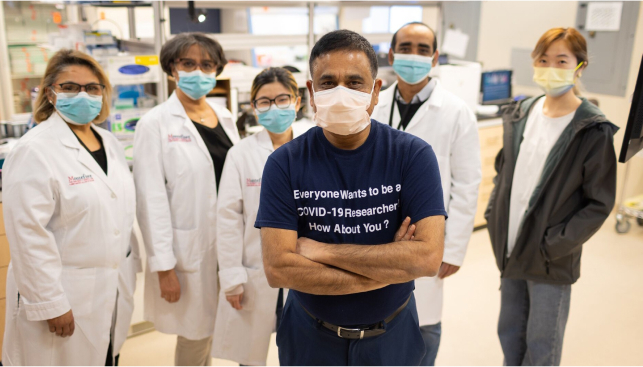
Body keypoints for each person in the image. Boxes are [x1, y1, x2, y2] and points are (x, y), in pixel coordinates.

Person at [255, 29, 447, 366]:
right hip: (310, 337)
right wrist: (391, 267)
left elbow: (426, 259)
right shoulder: (284, 163)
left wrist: (322, 251)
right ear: (312, 92)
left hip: (393, 335)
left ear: (375, 92)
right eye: (328, 83)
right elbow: (279, 269)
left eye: (355, 82)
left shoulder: (412, 155)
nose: (341, 93)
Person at [485, 27, 618, 366]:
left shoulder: (592, 129)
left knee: (542, 346)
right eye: (543, 59)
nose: (550, 67)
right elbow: (504, 174)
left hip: (551, 258)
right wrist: (493, 219)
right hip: (512, 248)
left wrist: (553, 245)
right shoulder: (521, 113)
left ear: (580, 66)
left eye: (562, 60)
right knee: (510, 336)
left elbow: (599, 203)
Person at [1, 49, 137, 366]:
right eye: (70, 87)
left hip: (109, 290)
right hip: (63, 294)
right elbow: (28, 235)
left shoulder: (110, 143)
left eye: (92, 87)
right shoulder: (34, 149)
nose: (83, 95)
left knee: (105, 357)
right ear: (50, 93)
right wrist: (50, 303)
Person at [371, 22, 481, 366]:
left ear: (434, 58)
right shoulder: (373, 105)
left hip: (428, 235)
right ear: (391, 55)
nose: (413, 56)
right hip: (375, 232)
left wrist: (455, 247)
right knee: (377, 317)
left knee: (424, 322)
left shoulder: (456, 111)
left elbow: (467, 182)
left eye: (422, 50)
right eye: (405, 48)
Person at [133, 32, 240, 366]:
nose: (198, 71)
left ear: (217, 69)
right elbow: (150, 199)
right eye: (188, 63)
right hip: (188, 250)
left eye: (207, 64)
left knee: (225, 326)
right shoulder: (155, 124)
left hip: (229, 241)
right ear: (172, 69)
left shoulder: (225, 117)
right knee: (195, 335)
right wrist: (164, 267)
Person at [212, 67, 313, 366]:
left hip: (308, 269)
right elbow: (228, 218)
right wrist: (231, 277)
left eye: (282, 99)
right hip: (256, 270)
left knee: (302, 351)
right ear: (254, 109)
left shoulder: (316, 144)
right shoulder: (240, 154)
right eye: (264, 101)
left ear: (297, 102)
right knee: (251, 356)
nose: (274, 107)